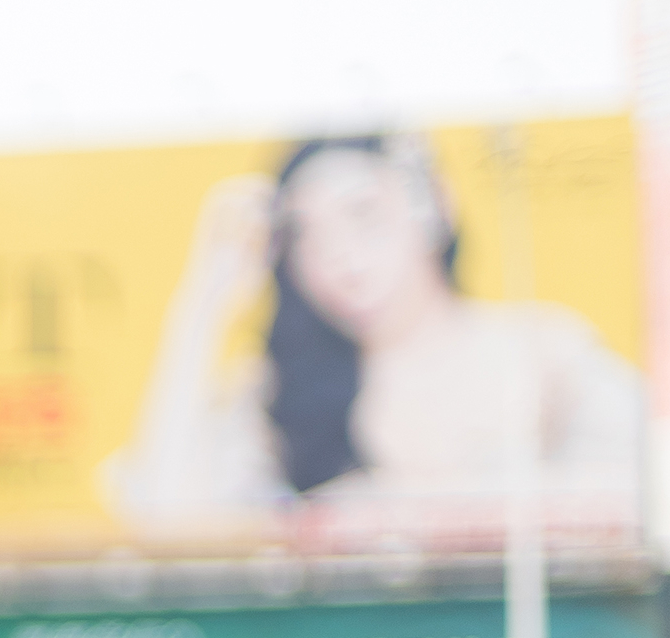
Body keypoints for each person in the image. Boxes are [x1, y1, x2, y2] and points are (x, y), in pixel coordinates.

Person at [113, 132, 643, 540]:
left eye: (363, 216)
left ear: (433, 203)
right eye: (308, 236)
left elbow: (661, 488)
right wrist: (201, 309)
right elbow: (168, 523)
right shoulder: (287, 390)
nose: (341, 258)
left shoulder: (540, 350)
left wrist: (387, 511)